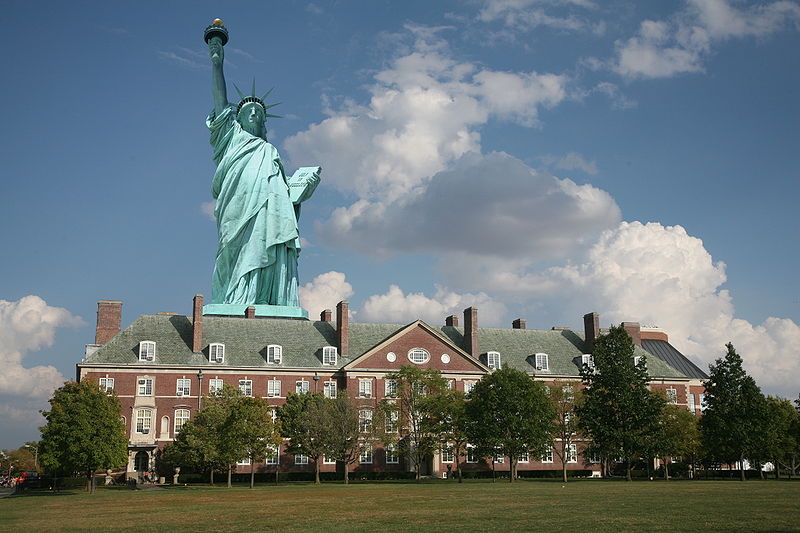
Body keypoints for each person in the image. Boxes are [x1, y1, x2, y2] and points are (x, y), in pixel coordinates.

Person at [206, 36, 319, 306]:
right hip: (238, 209)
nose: (255, 114)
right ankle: (236, 300)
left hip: (270, 215)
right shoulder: (230, 138)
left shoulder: (271, 153)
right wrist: (217, 65)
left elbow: (285, 195)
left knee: (270, 246)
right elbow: (221, 103)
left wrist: (303, 188)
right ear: (238, 118)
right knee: (237, 252)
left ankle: (268, 299)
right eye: (248, 111)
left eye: (259, 112)